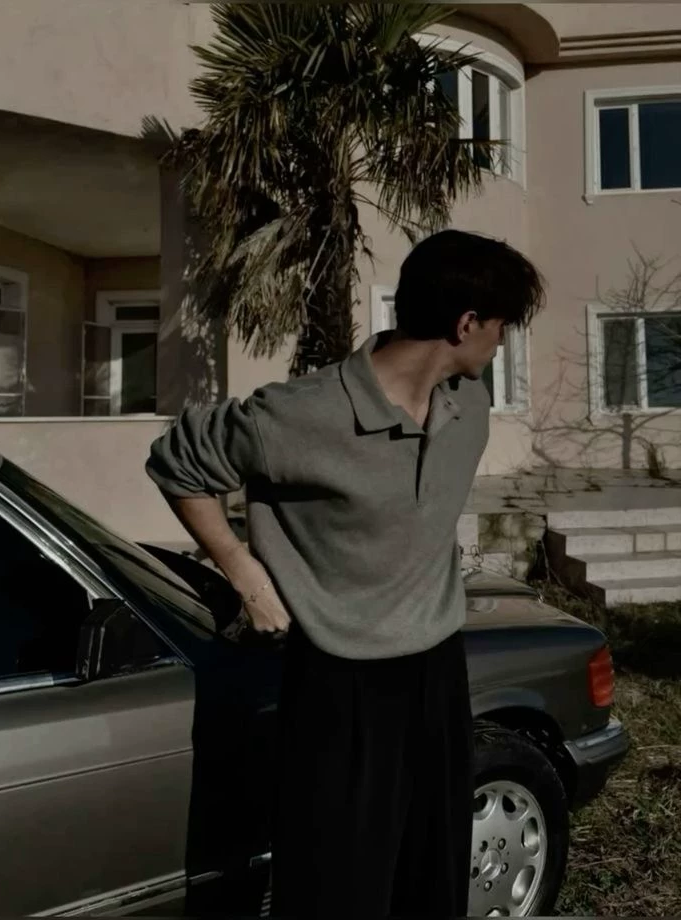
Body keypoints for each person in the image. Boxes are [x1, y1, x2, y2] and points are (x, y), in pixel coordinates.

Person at [146, 229, 546, 919]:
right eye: (501, 326)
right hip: (340, 684)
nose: (502, 342)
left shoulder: (468, 402)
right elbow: (176, 462)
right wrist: (244, 571)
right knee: (336, 892)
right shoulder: (302, 414)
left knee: (431, 881)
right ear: (466, 323)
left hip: (438, 671)